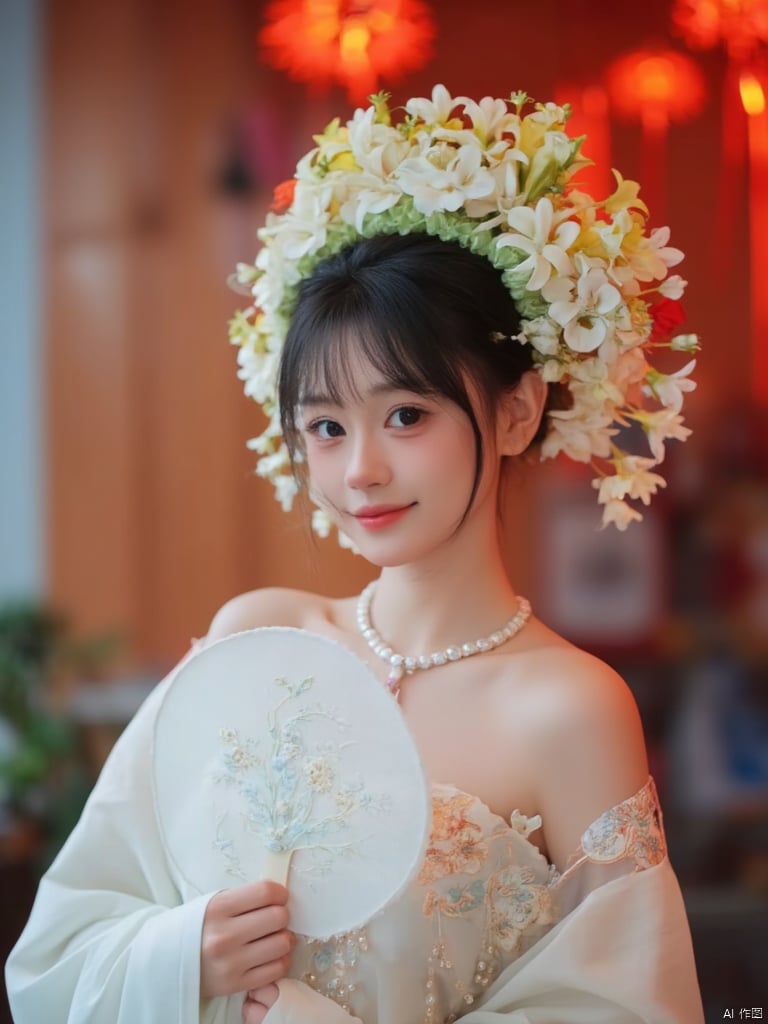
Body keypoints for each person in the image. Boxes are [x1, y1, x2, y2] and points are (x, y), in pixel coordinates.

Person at [6, 86, 704, 1023]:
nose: (360, 470)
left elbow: (624, 1013)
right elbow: (59, 948)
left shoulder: (570, 709)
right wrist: (185, 954)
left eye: (406, 415)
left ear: (516, 410)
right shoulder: (256, 638)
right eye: (326, 427)